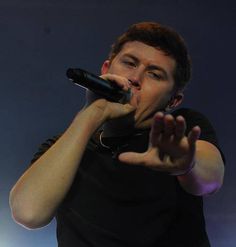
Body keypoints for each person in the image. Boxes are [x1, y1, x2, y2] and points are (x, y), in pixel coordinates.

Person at [9, 22, 224, 246]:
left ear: (173, 100)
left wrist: (186, 165)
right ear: (106, 69)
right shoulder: (64, 146)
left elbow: (211, 179)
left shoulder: (179, 128)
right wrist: (91, 114)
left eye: (154, 74)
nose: (135, 78)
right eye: (129, 63)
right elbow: (29, 213)